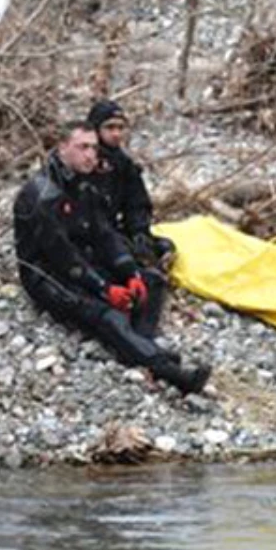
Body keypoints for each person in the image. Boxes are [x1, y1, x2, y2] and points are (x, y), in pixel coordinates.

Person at [13, 120, 211, 394]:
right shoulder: (42, 194)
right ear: (62, 148)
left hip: (83, 259)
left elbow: (105, 235)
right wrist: (105, 289)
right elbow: (62, 257)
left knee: (151, 282)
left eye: (94, 148)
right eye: (82, 148)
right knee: (108, 315)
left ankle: (139, 344)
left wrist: (130, 272)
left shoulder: (84, 185)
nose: (91, 155)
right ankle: (169, 371)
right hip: (46, 274)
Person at [85, 99, 177, 268]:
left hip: (111, 229)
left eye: (120, 128)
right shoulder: (81, 160)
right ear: (95, 129)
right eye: (110, 127)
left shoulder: (122, 163)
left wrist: (139, 231)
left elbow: (137, 202)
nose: (116, 134)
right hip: (83, 234)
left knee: (161, 246)